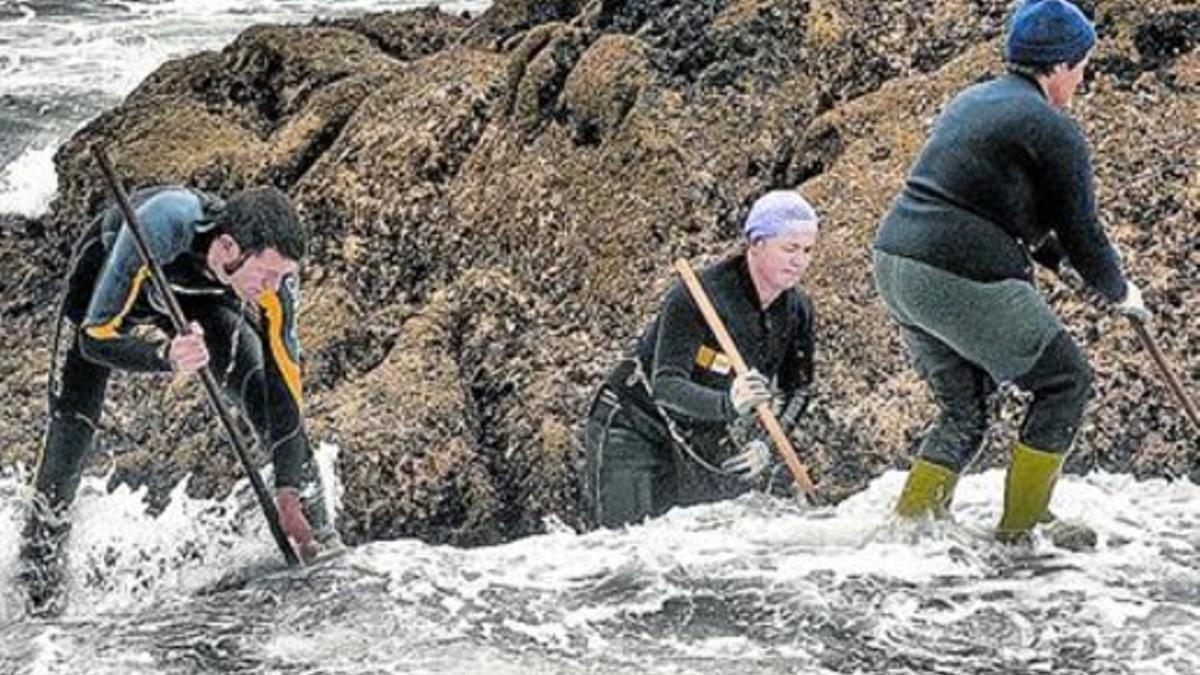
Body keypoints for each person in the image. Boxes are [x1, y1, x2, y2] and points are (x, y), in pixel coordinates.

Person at [873, 0, 1150, 545]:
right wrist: (1118, 290)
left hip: (896, 264)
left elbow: (1022, 222)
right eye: (1083, 65)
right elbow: (1082, 229)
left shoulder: (973, 101)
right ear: (1062, 64)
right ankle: (1021, 534)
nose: (1082, 78)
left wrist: (1074, 270)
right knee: (1065, 380)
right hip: (957, 272)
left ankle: (908, 534)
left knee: (965, 409)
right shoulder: (1053, 127)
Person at [20, 184, 338, 614]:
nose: (273, 288)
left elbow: (286, 393)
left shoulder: (275, 285)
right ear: (228, 247)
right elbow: (96, 339)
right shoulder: (167, 221)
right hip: (107, 284)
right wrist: (164, 357)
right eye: (266, 275)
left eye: (282, 276)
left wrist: (288, 493)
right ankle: (39, 591)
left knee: (266, 399)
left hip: (197, 302)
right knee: (72, 423)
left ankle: (323, 554)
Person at [581, 190, 819, 528]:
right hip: (634, 421)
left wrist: (766, 445)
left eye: (807, 251)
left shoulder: (797, 310)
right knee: (628, 544)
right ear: (756, 243)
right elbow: (666, 386)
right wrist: (729, 403)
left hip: (699, 428)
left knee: (700, 542)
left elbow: (800, 388)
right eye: (789, 248)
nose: (799, 260)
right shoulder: (697, 296)